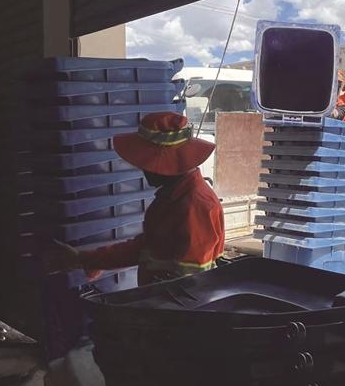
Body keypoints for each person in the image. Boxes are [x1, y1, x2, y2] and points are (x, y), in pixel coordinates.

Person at [45, 112, 225, 286]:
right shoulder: (173, 197)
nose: (143, 170)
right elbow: (145, 248)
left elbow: (191, 285)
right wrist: (85, 259)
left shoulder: (195, 206)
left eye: (147, 164)